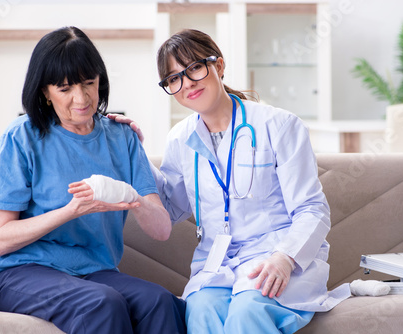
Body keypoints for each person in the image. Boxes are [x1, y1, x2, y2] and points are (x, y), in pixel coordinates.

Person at [111, 29, 351, 334]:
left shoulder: (278, 125)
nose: (187, 84)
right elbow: (170, 210)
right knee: (199, 310)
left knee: (247, 311)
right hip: (218, 263)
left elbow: (312, 209)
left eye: (194, 68)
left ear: (218, 66)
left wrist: (284, 258)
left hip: (275, 255)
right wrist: (134, 150)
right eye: (174, 79)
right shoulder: (180, 139)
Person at [0, 26, 186, 334]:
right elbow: (0, 239)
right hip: (21, 271)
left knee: (160, 301)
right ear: (45, 92)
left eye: (89, 82)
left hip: (93, 271)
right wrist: (71, 211)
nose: (82, 98)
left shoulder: (122, 137)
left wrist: (132, 197)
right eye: (64, 89)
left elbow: (161, 229)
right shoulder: (21, 137)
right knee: (102, 302)